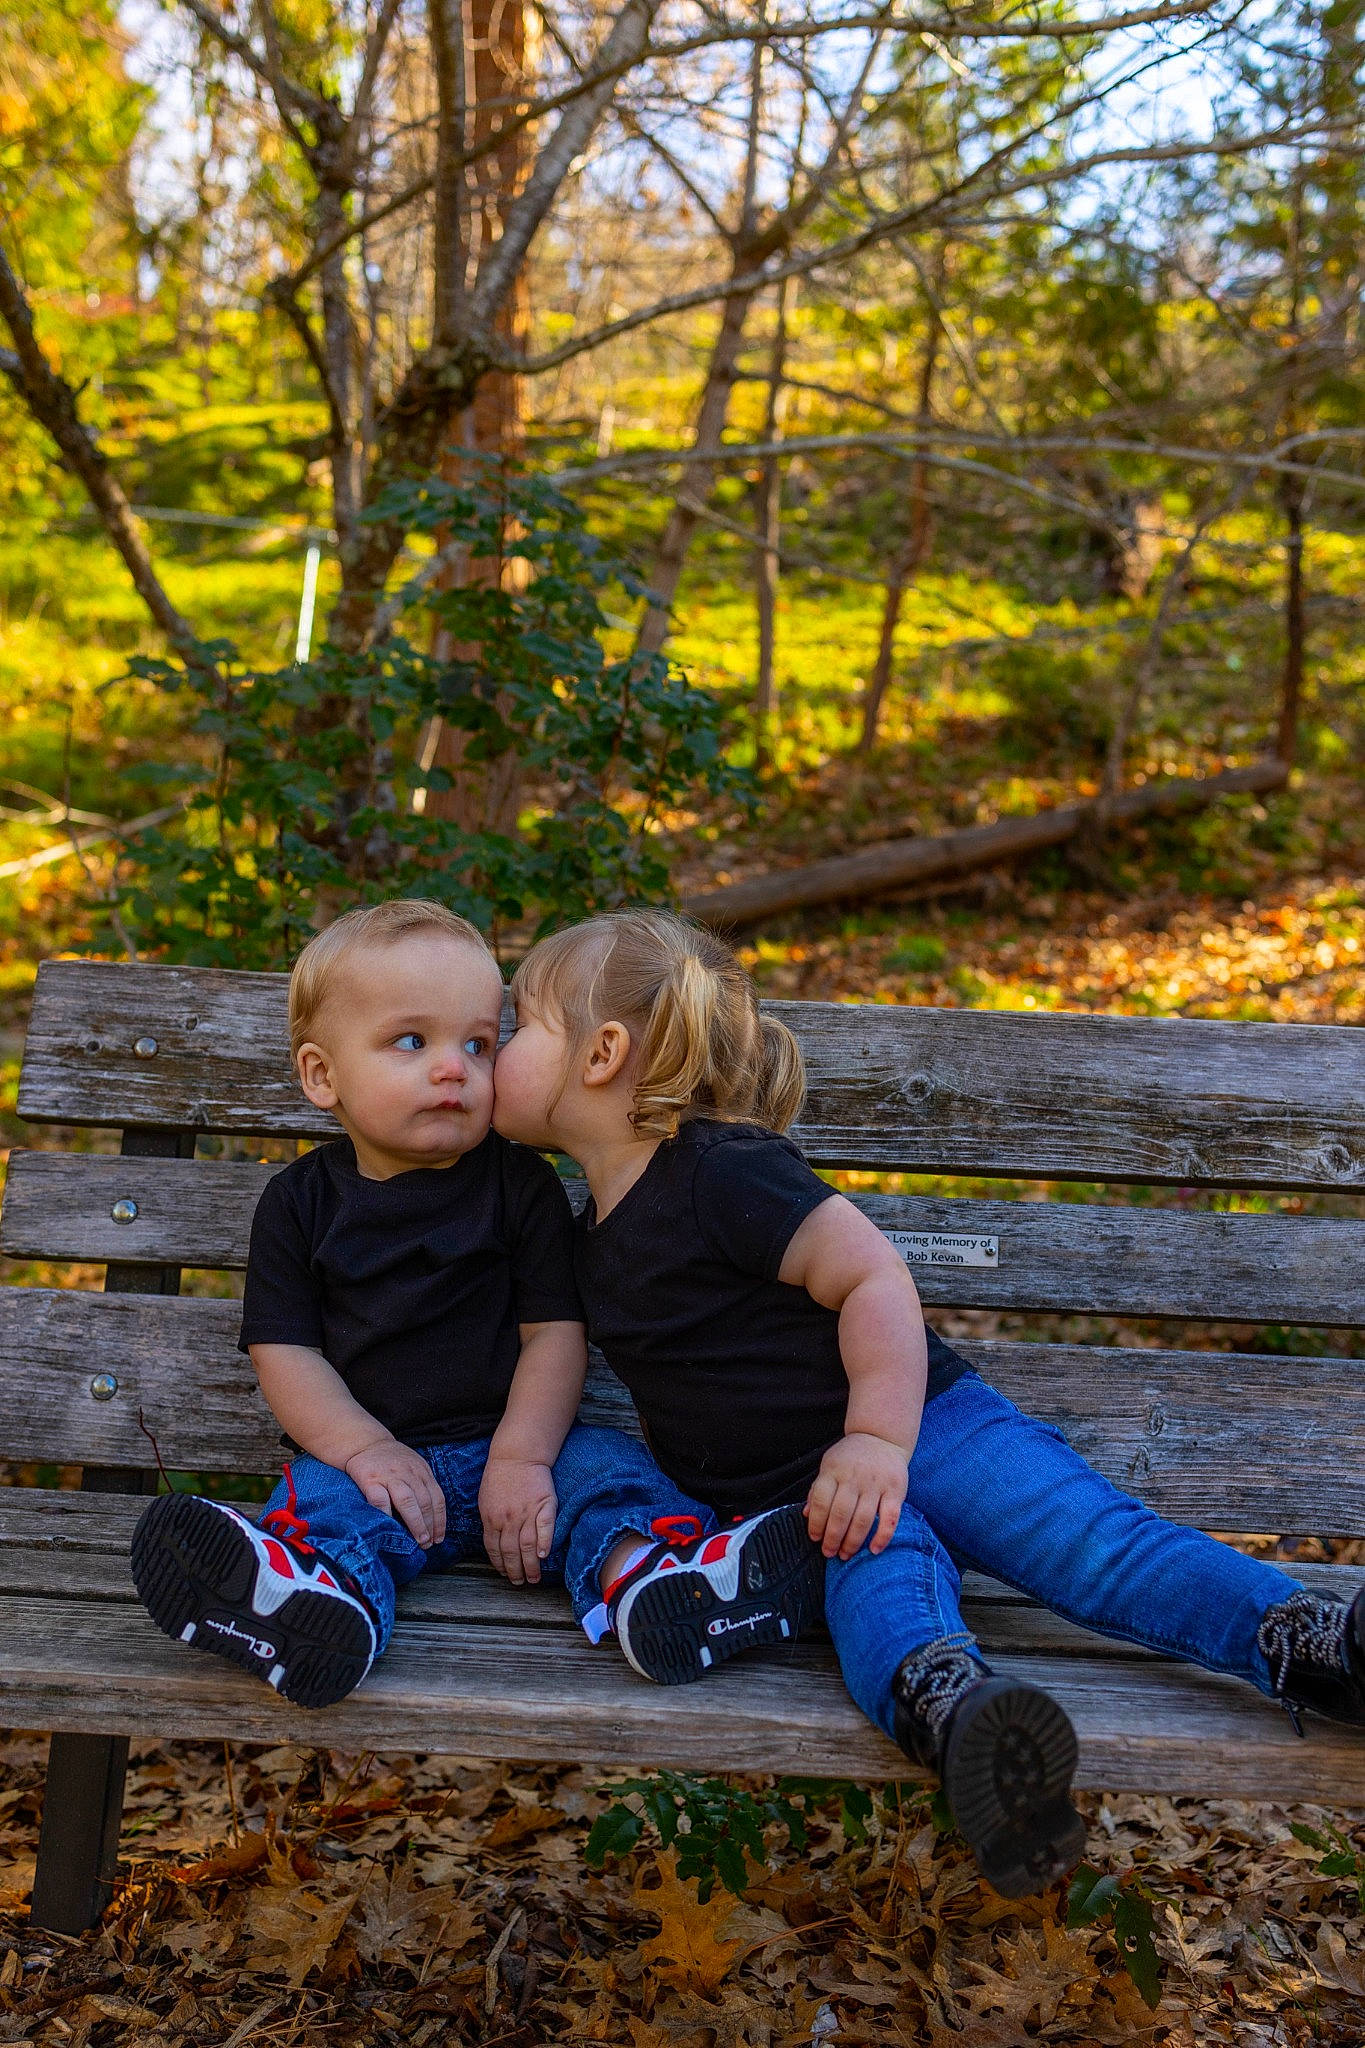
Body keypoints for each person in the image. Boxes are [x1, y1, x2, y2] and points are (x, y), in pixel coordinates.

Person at [491, 907, 1365, 1899]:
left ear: (602, 1054)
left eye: (518, 1023)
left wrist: (874, 1435)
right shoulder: (582, 1239)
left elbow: (871, 1278)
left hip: (933, 1426)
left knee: (1095, 1541)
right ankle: (966, 1721)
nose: (498, 1047)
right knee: (884, 1592)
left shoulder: (720, 1169)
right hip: (807, 1508)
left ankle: (1314, 1643)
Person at [132, 900, 824, 1709]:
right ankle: (318, 1604)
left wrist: (524, 1457)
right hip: (377, 1462)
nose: (453, 1066)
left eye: (479, 1043)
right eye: (410, 1041)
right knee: (320, 1500)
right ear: (322, 1075)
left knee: (608, 1471)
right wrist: (363, 1450)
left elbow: (553, 1335)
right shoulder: (298, 1205)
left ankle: (654, 1581)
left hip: (524, 1459)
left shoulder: (518, 1185)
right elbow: (287, 1352)